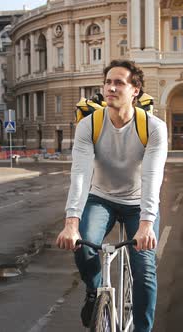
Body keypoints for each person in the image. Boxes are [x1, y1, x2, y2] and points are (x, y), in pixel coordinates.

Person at [56, 59, 168, 332]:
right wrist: (71, 223)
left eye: (119, 82)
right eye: (108, 82)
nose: (111, 87)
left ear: (135, 90)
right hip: (100, 197)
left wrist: (146, 225)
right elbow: (80, 175)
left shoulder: (153, 127)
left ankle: (143, 329)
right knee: (83, 245)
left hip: (138, 203)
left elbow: (153, 177)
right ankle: (94, 292)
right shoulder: (88, 125)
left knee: (144, 270)